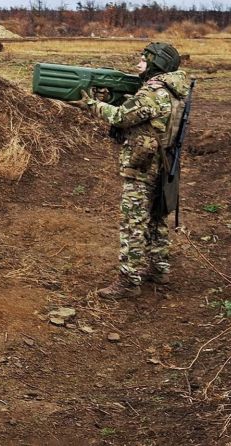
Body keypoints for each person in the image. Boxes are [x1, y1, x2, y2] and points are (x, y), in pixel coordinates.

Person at [70, 43, 191, 299]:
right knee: (157, 217)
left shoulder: (152, 91)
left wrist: (91, 104)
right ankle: (159, 269)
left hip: (143, 164)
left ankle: (128, 280)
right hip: (164, 161)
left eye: (144, 61)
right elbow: (145, 113)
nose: (138, 65)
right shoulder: (176, 89)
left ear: (156, 65)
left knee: (133, 222)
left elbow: (121, 118)